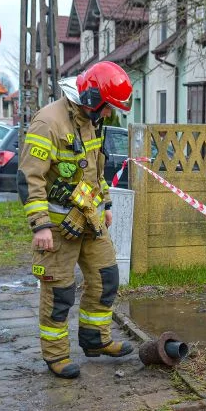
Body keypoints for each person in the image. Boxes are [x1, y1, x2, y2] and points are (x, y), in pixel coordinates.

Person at [17, 61, 134, 379]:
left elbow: (95, 170)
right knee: (59, 293)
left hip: (90, 220)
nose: (109, 114)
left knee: (106, 277)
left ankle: (96, 340)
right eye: (108, 107)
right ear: (94, 97)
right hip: (56, 227)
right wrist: (40, 224)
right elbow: (30, 179)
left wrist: (106, 203)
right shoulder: (48, 122)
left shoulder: (90, 120)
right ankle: (55, 356)